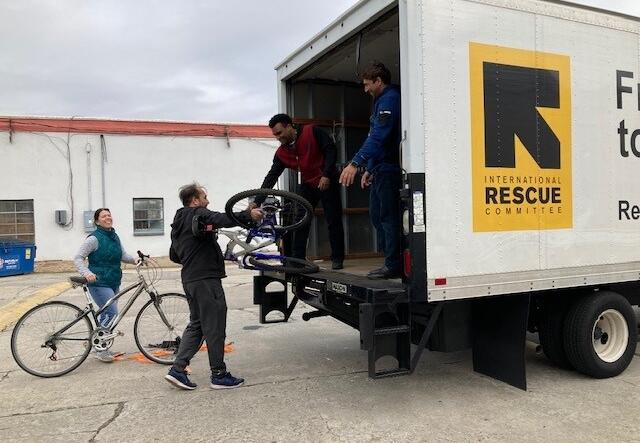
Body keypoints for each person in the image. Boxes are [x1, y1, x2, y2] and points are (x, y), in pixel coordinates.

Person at [164, 183, 262, 390]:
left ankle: (177, 370)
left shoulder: (178, 224)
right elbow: (221, 218)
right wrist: (247, 215)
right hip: (206, 280)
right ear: (195, 200)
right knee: (214, 325)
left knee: (197, 324)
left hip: (190, 279)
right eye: (205, 197)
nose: (207, 201)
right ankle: (218, 374)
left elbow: (174, 255)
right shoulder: (198, 213)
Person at [339, 62, 402, 279]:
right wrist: (369, 168)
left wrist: (356, 163)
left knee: (387, 217)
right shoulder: (379, 101)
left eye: (367, 85)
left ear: (379, 81)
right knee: (377, 216)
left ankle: (394, 264)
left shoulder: (390, 99)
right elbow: (374, 138)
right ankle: (391, 260)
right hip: (380, 168)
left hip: (390, 169)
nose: (365, 89)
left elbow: (380, 136)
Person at [260, 113, 345, 270]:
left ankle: (337, 258)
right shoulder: (282, 153)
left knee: (333, 219)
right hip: (308, 184)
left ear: (289, 126)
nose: (278, 137)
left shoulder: (311, 131)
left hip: (327, 180)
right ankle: (297, 259)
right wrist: (256, 202)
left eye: (279, 133)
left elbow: (330, 150)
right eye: (275, 135)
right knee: (300, 220)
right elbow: (271, 177)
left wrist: (326, 174)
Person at [73, 208, 137, 362]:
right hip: (98, 282)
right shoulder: (93, 239)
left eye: (109, 215)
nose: (108, 217)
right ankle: (100, 348)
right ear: (97, 221)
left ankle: (100, 344)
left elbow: (122, 255)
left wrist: (135, 260)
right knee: (111, 313)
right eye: (104, 216)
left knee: (107, 315)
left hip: (114, 281)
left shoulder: (114, 236)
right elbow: (78, 258)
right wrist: (86, 273)